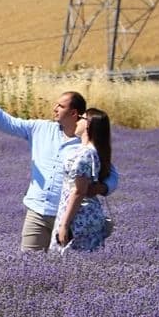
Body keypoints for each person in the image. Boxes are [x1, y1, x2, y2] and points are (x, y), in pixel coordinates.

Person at [0, 83, 119, 251]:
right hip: (38, 212)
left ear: (73, 113)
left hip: (70, 216)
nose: (54, 108)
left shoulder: (86, 144)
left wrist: (102, 187)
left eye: (60, 106)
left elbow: (112, 174)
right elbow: (7, 122)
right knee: (29, 264)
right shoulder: (40, 128)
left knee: (67, 269)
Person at [53, 108, 113, 253]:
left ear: (88, 124)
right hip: (86, 216)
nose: (77, 121)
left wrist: (64, 225)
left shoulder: (85, 154)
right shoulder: (92, 151)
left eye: (80, 118)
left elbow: (78, 191)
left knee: (69, 265)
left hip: (79, 218)